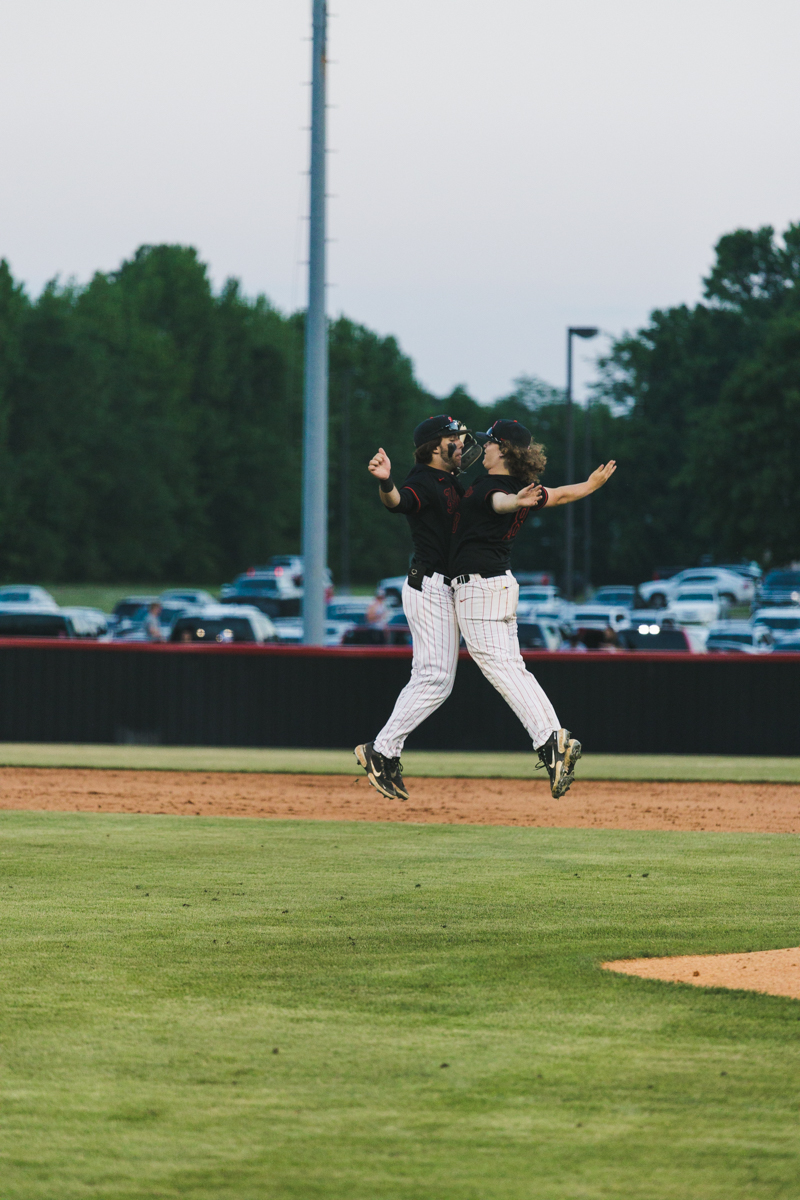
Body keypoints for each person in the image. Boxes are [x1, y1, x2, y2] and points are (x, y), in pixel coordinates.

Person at [449, 419, 616, 798]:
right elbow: (559, 496)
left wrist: (513, 503)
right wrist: (590, 485)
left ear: (504, 449)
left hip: (480, 588)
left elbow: (499, 503)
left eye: (490, 442)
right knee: (513, 669)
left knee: (501, 669)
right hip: (499, 584)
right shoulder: (519, 487)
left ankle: (549, 740)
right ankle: (553, 738)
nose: (485, 447)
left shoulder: (497, 488)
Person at [354, 414, 480, 801]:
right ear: (435, 445)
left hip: (444, 587)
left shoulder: (451, 480)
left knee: (430, 678)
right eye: (454, 438)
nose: (461, 444)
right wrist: (385, 482)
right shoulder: (423, 479)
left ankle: (386, 751)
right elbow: (400, 502)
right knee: (436, 679)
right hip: (428, 586)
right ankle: (381, 750)